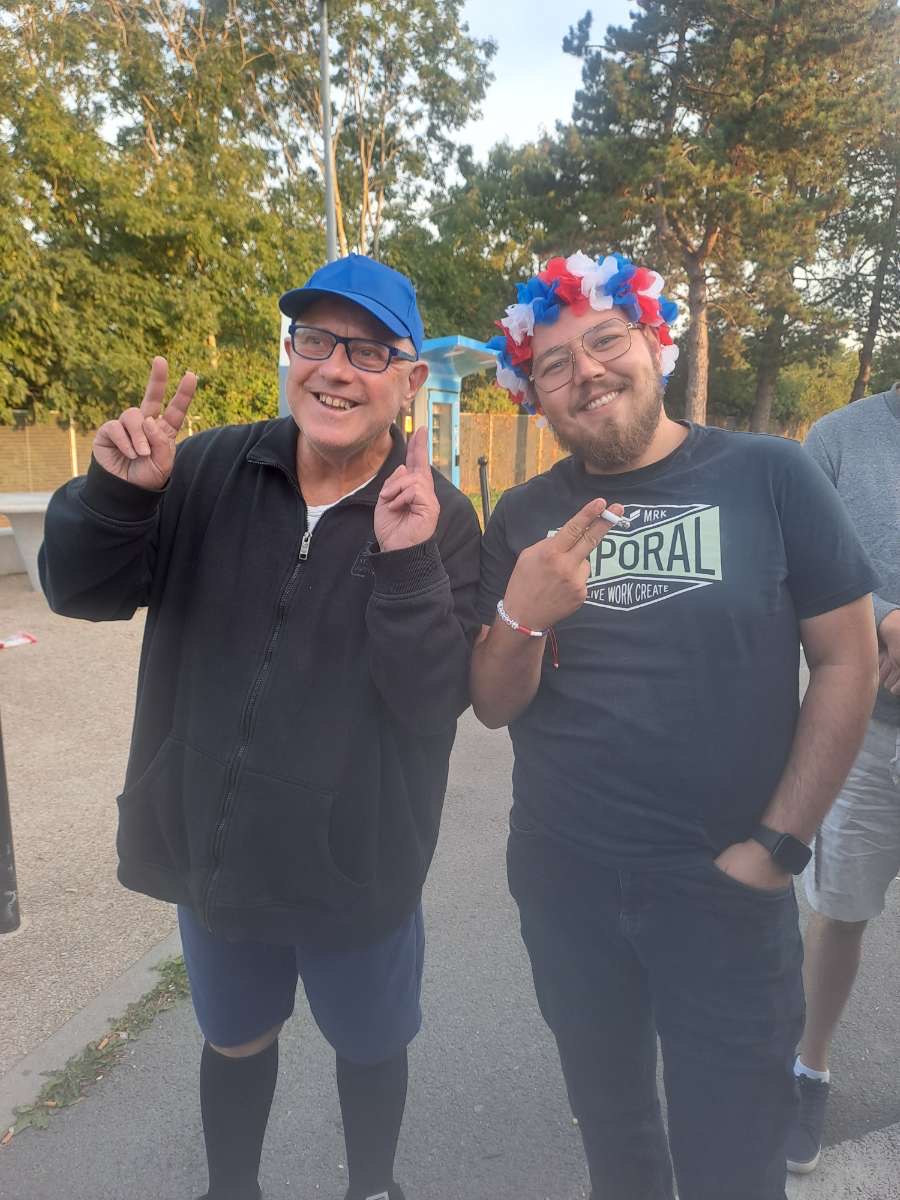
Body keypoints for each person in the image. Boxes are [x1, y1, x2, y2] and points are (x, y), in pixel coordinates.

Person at [39, 254, 481, 1200]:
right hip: (219, 853)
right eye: (315, 339)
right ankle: (230, 1188)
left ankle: (372, 1186)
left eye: (368, 350)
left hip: (359, 867)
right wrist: (118, 497)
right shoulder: (205, 468)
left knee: (371, 1045)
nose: (335, 368)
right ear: (290, 356)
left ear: (409, 381)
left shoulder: (439, 517)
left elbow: (432, 702)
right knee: (235, 1039)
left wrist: (407, 566)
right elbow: (81, 592)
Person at [470, 251, 879, 1200]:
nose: (586, 372)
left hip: (724, 889)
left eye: (605, 341)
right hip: (565, 887)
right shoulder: (524, 515)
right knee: (615, 1142)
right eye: (554, 364)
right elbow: (492, 704)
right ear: (535, 395)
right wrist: (522, 615)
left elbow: (849, 661)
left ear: (653, 340)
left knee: (734, 1160)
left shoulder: (770, 474)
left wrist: (777, 848)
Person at [784, 382, 900, 1174]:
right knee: (839, 913)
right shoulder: (837, 438)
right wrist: (882, 616)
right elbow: (796, 564)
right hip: (865, 732)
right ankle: (808, 1068)